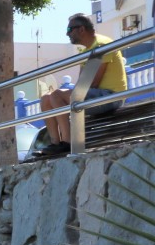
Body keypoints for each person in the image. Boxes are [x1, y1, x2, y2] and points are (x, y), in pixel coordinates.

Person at [37, 13, 127, 157]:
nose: (67, 34)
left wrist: (65, 95)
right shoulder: (85, 51)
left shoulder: (101, 45)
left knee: (57, 95)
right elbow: (82, 84)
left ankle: (67, 142)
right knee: (46, 98)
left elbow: (94, 82)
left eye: (69, 30)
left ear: (81, 29)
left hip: (111, 97)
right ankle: (55, 143)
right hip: (95, 95)